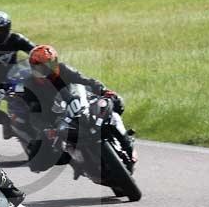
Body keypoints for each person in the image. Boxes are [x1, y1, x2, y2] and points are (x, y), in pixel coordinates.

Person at [18, 44, 128, 172]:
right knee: (37, 162)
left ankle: (126, 140)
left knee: (115, 102)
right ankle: (74, 159)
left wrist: (103, 90)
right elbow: (34, 114)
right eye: (41, 68)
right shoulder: (30, 85)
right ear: (33, 68)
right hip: (54, 119)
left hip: (78, 106)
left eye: (50, 65)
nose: (47, 71)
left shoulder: (64, 69)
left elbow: (85, 80)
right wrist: (46, 128)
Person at [0, 11, 36, 139]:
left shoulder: (16, 39)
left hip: (15, 80)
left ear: (8, 28)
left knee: (32, 96)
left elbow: (35, 50)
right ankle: (6, 120)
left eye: (1, 30)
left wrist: (43, 58)